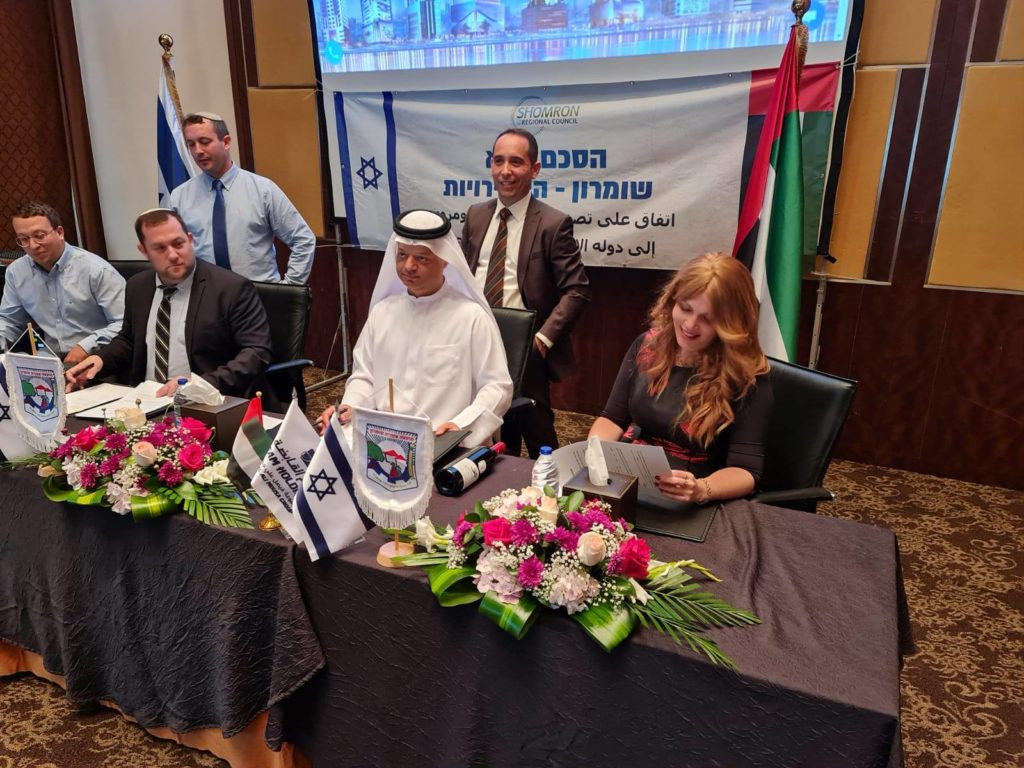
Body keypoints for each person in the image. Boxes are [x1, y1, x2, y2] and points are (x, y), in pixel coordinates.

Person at [589, 252, 773, 504]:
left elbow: (746, 471)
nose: (690, 324)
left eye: (707, 319)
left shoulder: (748, 377)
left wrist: (702, 489)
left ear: (731, 324)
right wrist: (594, 453)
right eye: (685, 308)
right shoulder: (648, 345)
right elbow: (612, 418)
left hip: (697, 491)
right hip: (633, 475)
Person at [319, 209, 512, 446]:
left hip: (443, 440)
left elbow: (497, 387)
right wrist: (351, 406)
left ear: (444, 260)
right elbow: (365, 376)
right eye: (402, 255)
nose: (408, 266)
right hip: (382, 439)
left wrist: (460, 425)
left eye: (421, 258)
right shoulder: (382, 312)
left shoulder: (472, 317)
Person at [460, 128, 591, 458]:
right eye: (498, 161)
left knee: (537, 433)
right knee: (483, 429)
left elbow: (577, 289)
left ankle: (550, 487)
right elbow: (461, 277)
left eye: (516, 162)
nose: (505, 171)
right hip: (476, 340)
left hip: (525, 348)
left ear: (534, 169)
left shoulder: (552, 223)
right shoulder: (475, 216)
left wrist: (542, 340)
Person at [65, 209, 273, 399]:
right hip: (147, 399)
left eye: (178, 244)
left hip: (208, 400)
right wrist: (100, 360)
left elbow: (257, 352)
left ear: (190, 240)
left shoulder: (231, 288)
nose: (173, 255)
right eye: (160, 248)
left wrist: (198, 385)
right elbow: (129, 341)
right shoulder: (138, 286)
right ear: (144, 250)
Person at [167, 112, 316, 284]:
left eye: (205, 142)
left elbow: (303, 239)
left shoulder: (263, 190)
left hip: (257, 295)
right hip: (205, 295)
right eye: (191, 144)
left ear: (226, 142)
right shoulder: (180, 197)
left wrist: (289, 288)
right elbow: (173, 250)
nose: (198, 151)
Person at [1, 201, 125, 366]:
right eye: (24, 239)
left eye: (39, 236)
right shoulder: (17, 272)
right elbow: (10, 321)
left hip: (99, 359)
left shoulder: (97, 270)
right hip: (50, 360)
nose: (33, 246)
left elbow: (124, 323)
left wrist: (86, 346)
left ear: (59, 232)